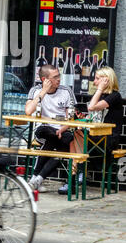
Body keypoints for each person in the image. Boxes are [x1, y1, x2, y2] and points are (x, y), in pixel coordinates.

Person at [58, 66, 123, 195]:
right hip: (95, 135)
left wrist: (99, 89)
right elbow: (92, 116)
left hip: (108, 138)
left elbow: (92, 107)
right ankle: (76, 176)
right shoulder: (100, 95)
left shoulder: (115, 96)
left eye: (97, 79)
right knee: (74, 136)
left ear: (107, 80)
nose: (94, 82)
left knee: (76, 135)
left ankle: (76, 175)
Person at [25, 64, 76, 192]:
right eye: (55, 77)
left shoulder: (66, 91)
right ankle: (37, 179)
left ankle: (36, 180)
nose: (59, 79)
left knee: (64, 142)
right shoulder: (35, 91)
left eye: (59, 75)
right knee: (52, 136)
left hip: (61, 130)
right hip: (43, 129)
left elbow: (70, 118)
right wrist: (43, 91)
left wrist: (61, 129)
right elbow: (28, 111)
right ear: (45, 80)